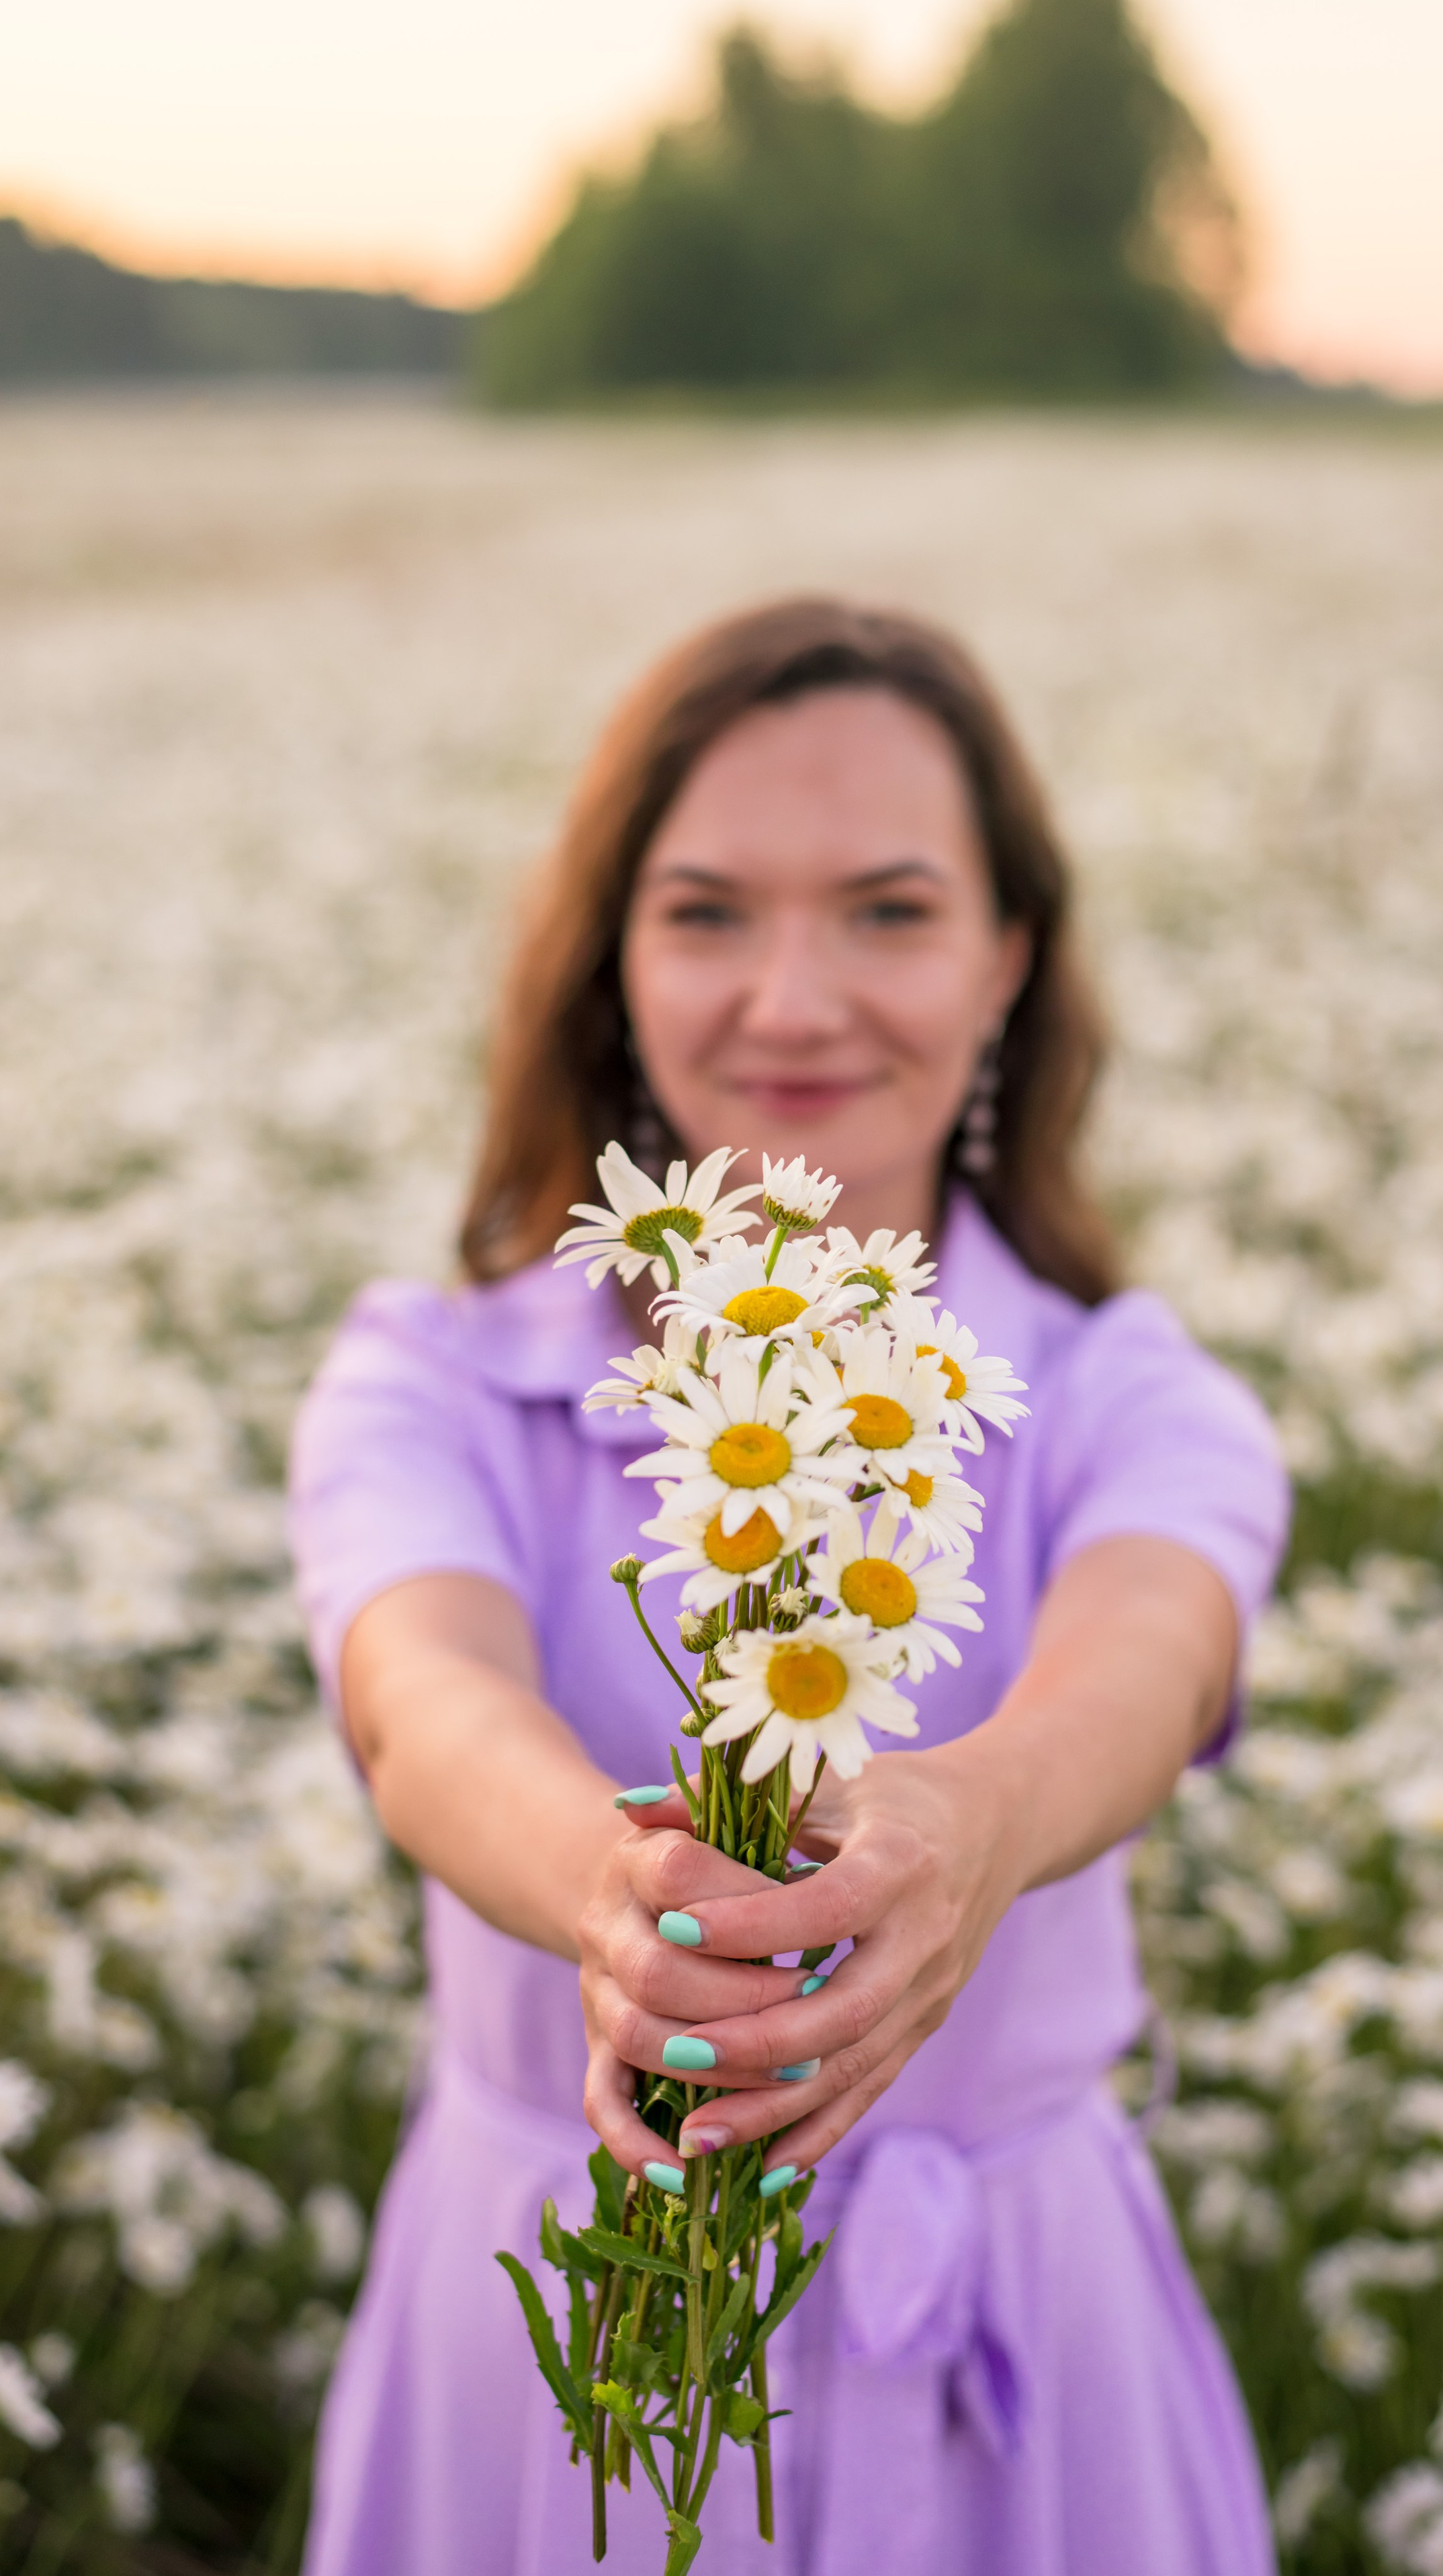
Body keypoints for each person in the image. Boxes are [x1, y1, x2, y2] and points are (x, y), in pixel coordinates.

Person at [290, 597, 1291, 2576]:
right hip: (552, 2344)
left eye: (893, 911)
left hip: (1010, 2345)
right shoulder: (437, 1379)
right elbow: (423, 1698)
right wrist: (610, 1894)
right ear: (610, 960)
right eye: (711, 911)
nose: (797, 997)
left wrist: (967, 1827)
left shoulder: (1117, 1395)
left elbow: (1152, 1656)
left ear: (1014, 953)